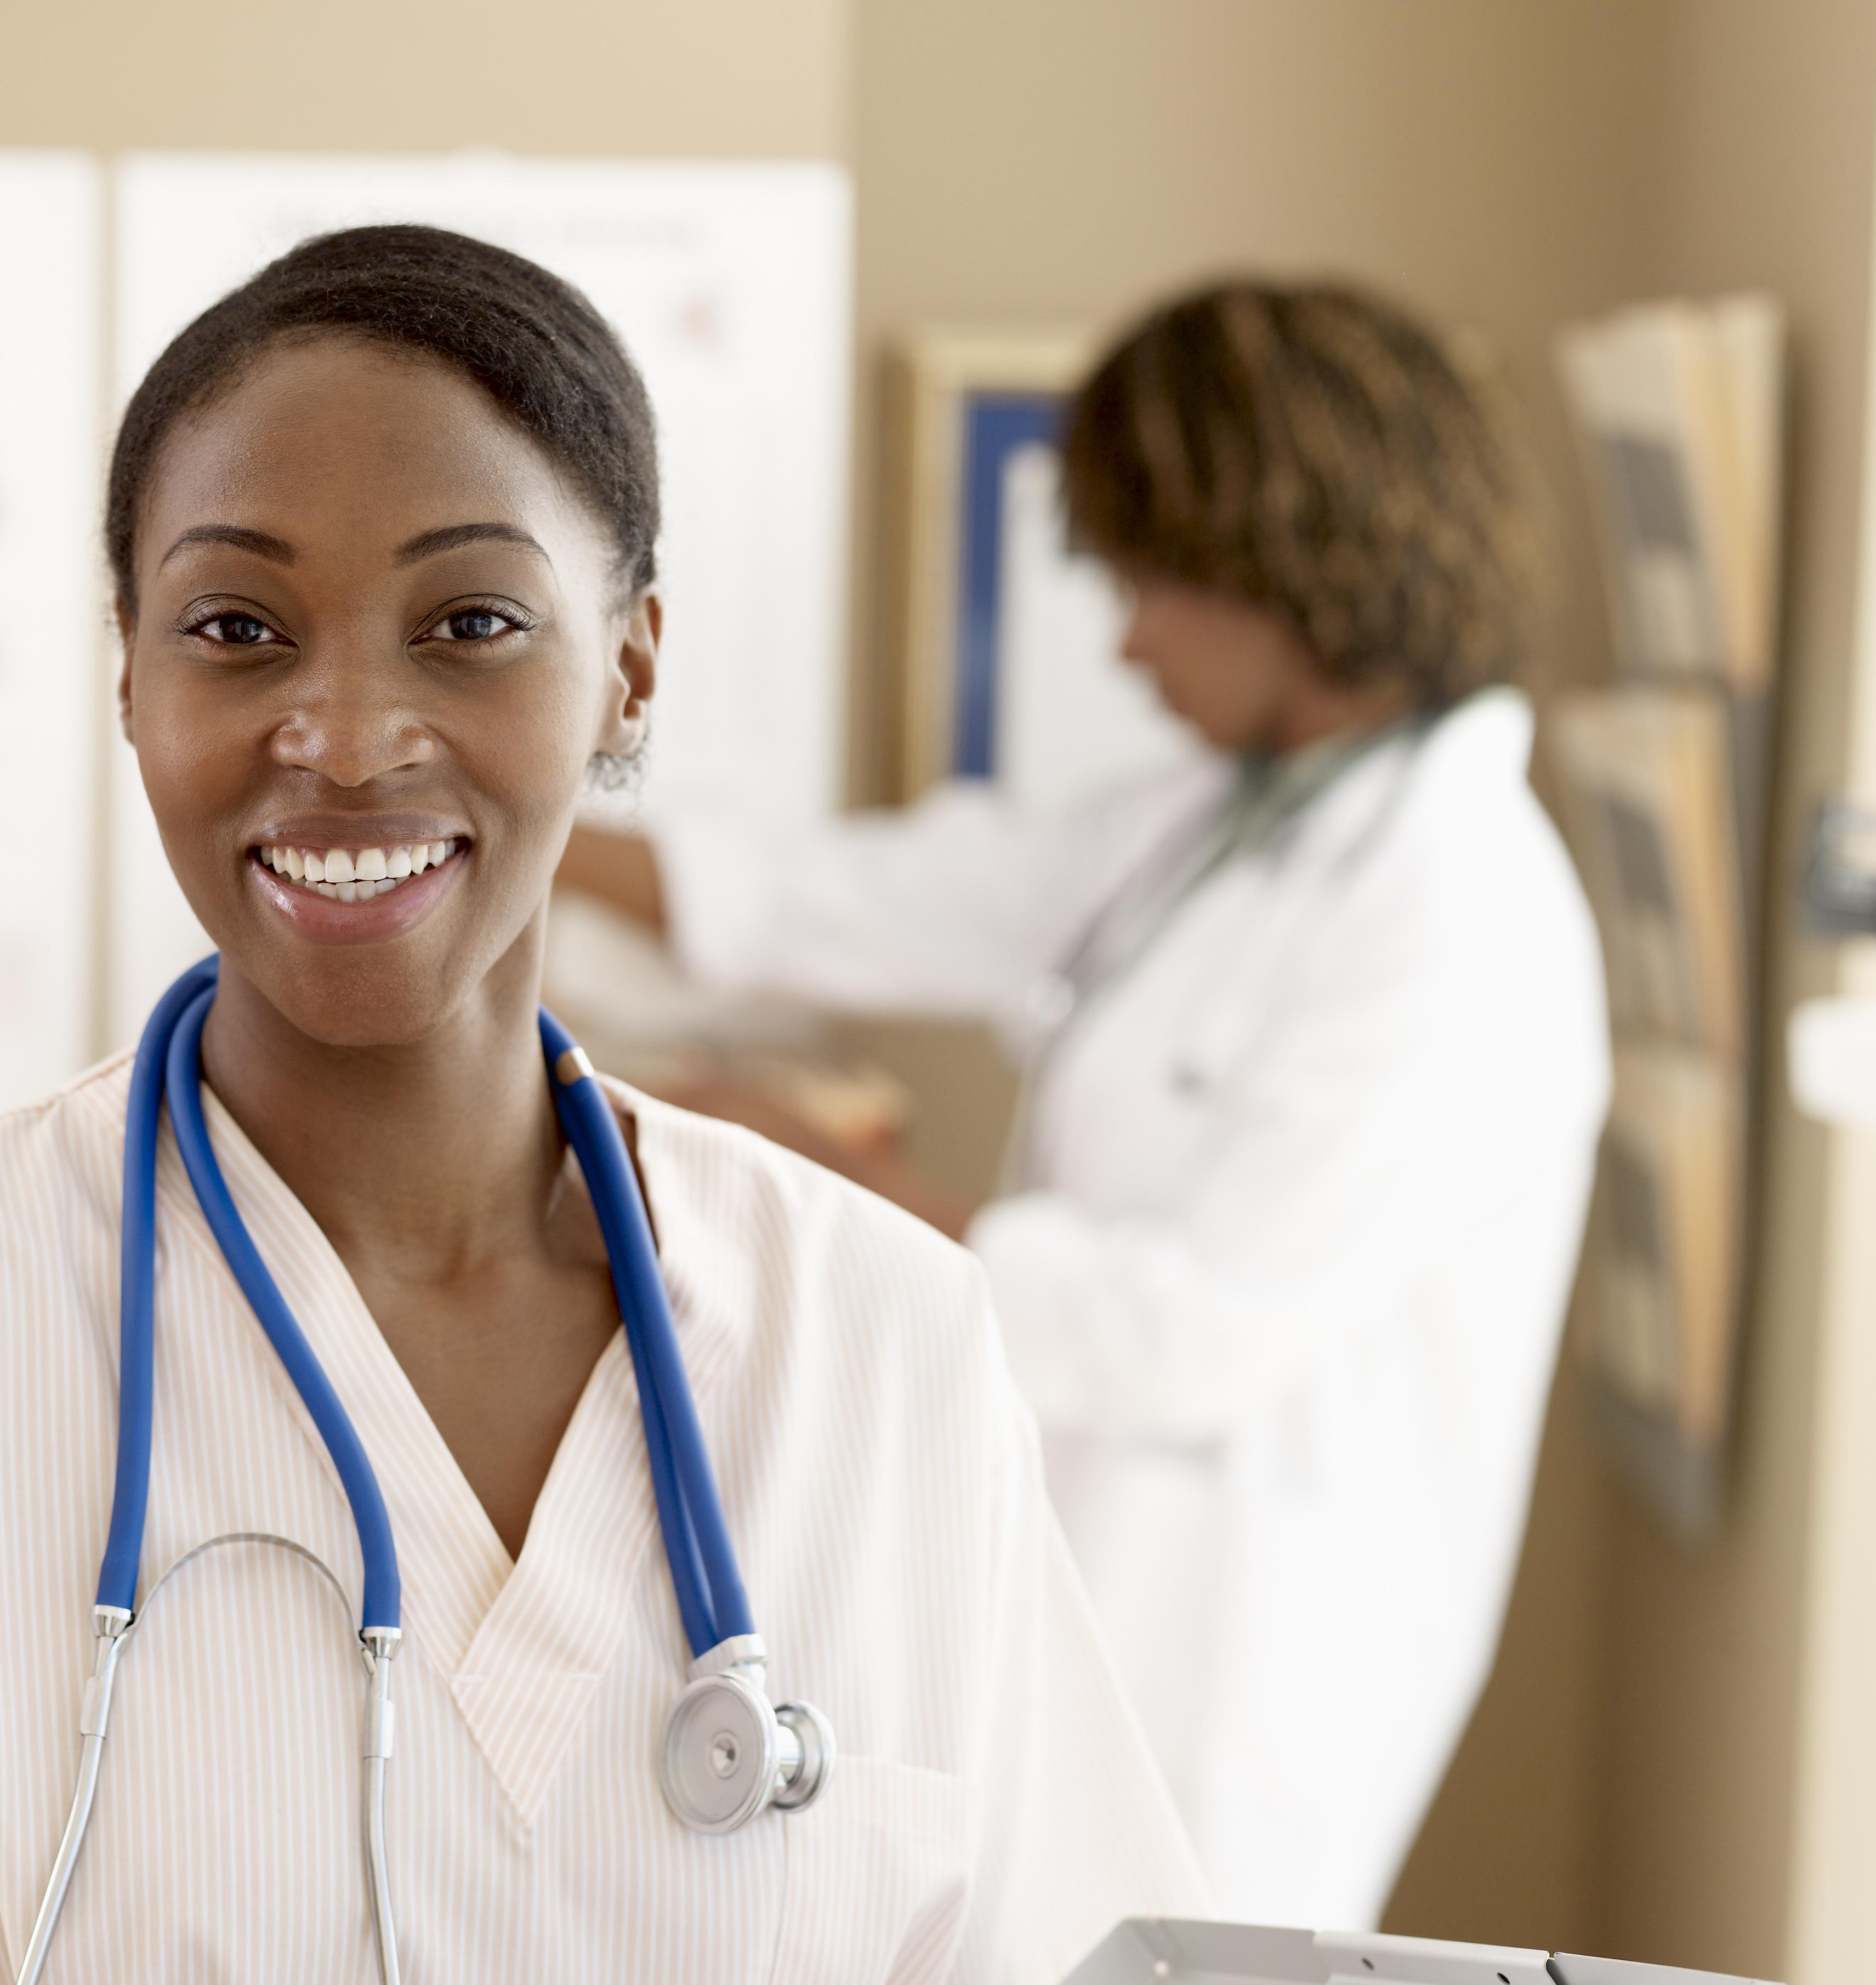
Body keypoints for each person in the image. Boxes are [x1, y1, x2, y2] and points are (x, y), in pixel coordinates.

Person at [0, 226, 1203, 1985]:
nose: (349, 734)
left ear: (629, 671)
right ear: (130, 672)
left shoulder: (889, 1341)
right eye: (236, 626)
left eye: (472, 623)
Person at [558, 280, 1611, 1932]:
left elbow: (1183, 1327)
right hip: (1081, 1607)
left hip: (1240, 1681)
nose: (1125, 639)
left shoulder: (1457, 902)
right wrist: (518, 804)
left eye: (1148, 581)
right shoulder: (1231, 817)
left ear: (1282, 557)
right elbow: (878, 895)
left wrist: (831, 1170)